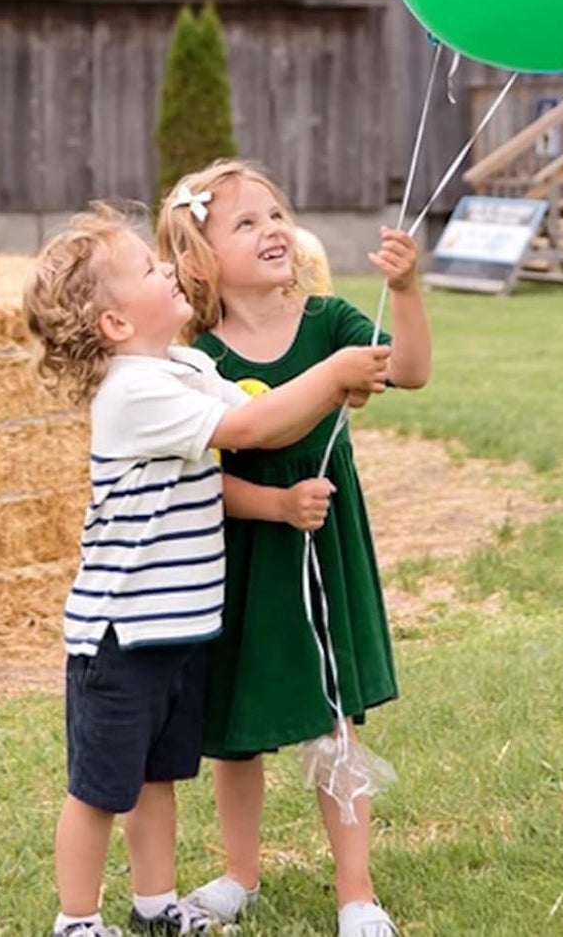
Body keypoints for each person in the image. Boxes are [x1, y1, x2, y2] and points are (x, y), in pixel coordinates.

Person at [23, 204, 391, 937]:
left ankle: (156, 903)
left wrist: (322, 396)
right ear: (116, 325)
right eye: (149, 269)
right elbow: (252, 428)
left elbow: (266, 410)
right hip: (120, 634)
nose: (168, 268)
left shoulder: (185, 365)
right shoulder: (133, 390)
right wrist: (333, 373)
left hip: (177, 627)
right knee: (100, 788)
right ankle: (76, 920)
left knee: (156, 779)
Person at [156, 161, 432, 937]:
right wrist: (272, 502)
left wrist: (406, 290)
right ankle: (239, 873)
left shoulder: (328, 322)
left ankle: (356, 891)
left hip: (318, 547)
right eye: (244, 222)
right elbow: (194, 476)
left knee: (330, 713)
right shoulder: (193, 355)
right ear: (200, 257)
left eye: (275, 213)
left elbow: (408, 370)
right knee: (232, 723)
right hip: (237, 551)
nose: (272, 228)